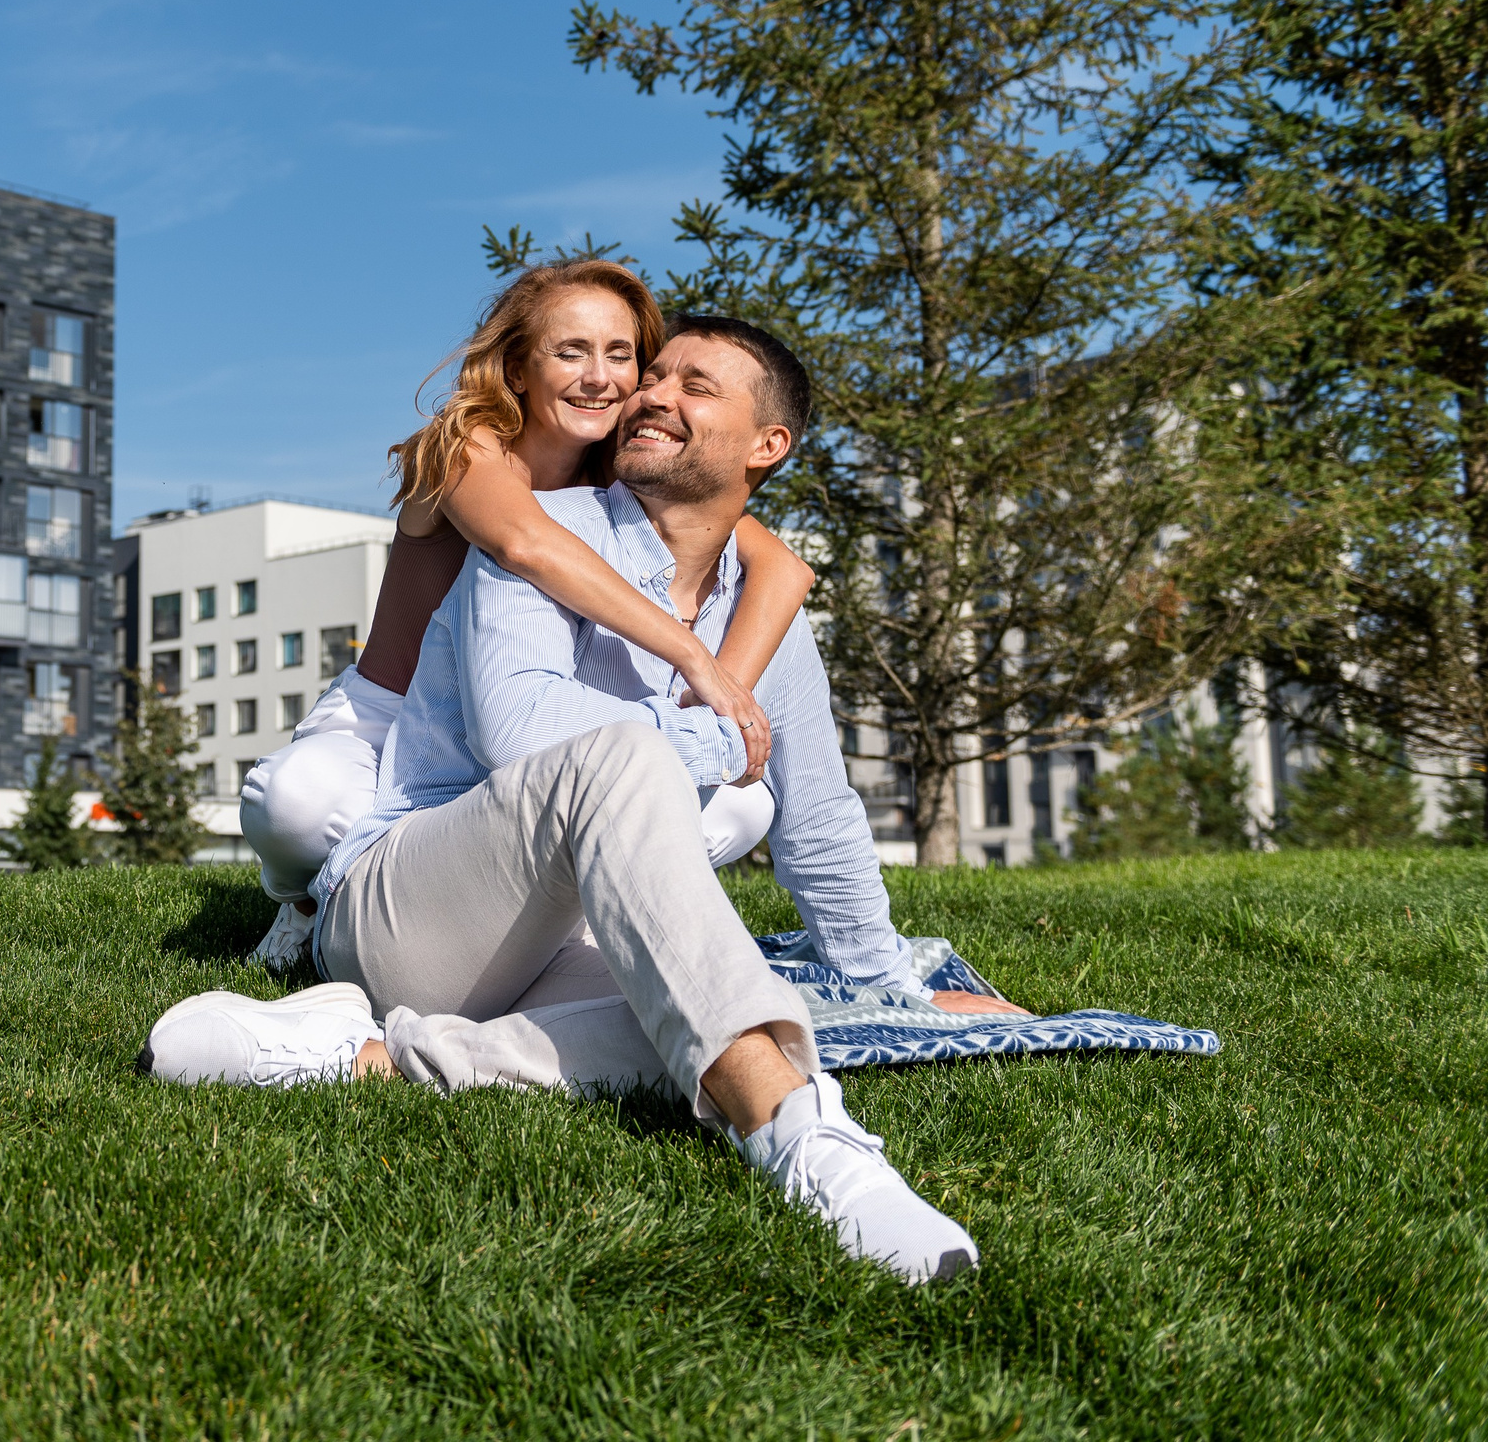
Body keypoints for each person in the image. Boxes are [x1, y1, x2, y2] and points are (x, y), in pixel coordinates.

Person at [146, 317, 1028, 1284]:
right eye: (656, 376)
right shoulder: (538, 536)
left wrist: (885, 988)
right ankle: (809, 1145)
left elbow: (820, 825)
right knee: (624, 762)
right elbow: (526, 736)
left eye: (697, 385)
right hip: (416, 906)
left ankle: (367, 1054)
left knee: (697, 1005)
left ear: (767, 446)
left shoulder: (770, 618)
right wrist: (719, 732)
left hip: (570, 940)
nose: (653, 393)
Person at [238, 261, 815, 964]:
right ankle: (303, 899)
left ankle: (572, 914)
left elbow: (783, 568)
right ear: (516, 367)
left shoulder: (628, 464)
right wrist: (692, 657)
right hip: (394, 723)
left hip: (532, 720)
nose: (599, 376)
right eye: (570, 352)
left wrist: (719, 703)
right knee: (297, 802)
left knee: (742, 801)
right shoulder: (460, 446)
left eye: (621, 354)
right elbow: (525, 541)